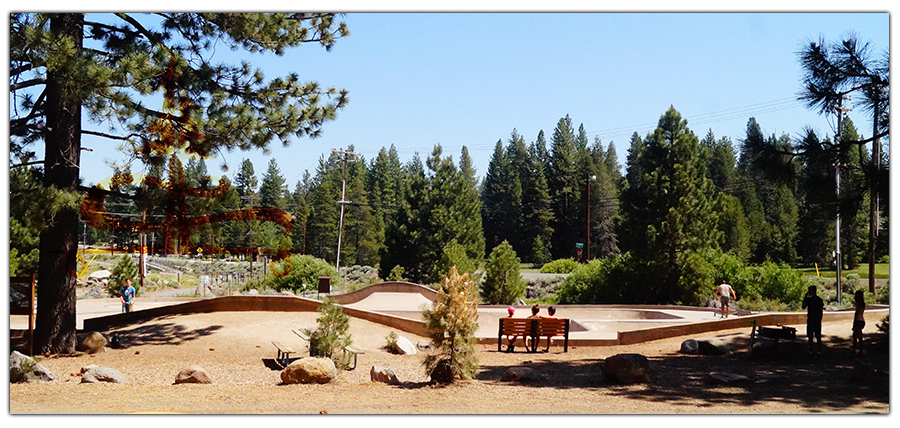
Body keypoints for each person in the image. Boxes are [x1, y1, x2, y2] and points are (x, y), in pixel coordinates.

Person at [802, 285, 825, 354]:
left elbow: (803, 306)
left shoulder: (814, 300)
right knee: (813, 336)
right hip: (814, 319)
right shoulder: (817, 300)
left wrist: (805, 297)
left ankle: (814, 349)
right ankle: (816, 349)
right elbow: (803, 307)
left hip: (813, 319)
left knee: (815, 336)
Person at [852, 289, 866, 354]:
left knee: (857, 336)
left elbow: (856, 314)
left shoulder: (858, 305)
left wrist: (854, 323)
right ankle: (859, 349)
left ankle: (858, 350)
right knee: (858, 336)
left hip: (858, 321)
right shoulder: (862, 304)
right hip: (861, 320)